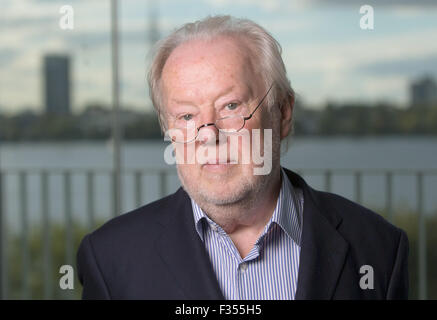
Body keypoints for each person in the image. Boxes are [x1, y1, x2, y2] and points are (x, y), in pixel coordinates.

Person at [77, 15, 408, 300]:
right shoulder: (110, 259)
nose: (209, 134)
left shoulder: (378, 248)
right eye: (187, 116)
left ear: (282, 113)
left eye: (231, 106)